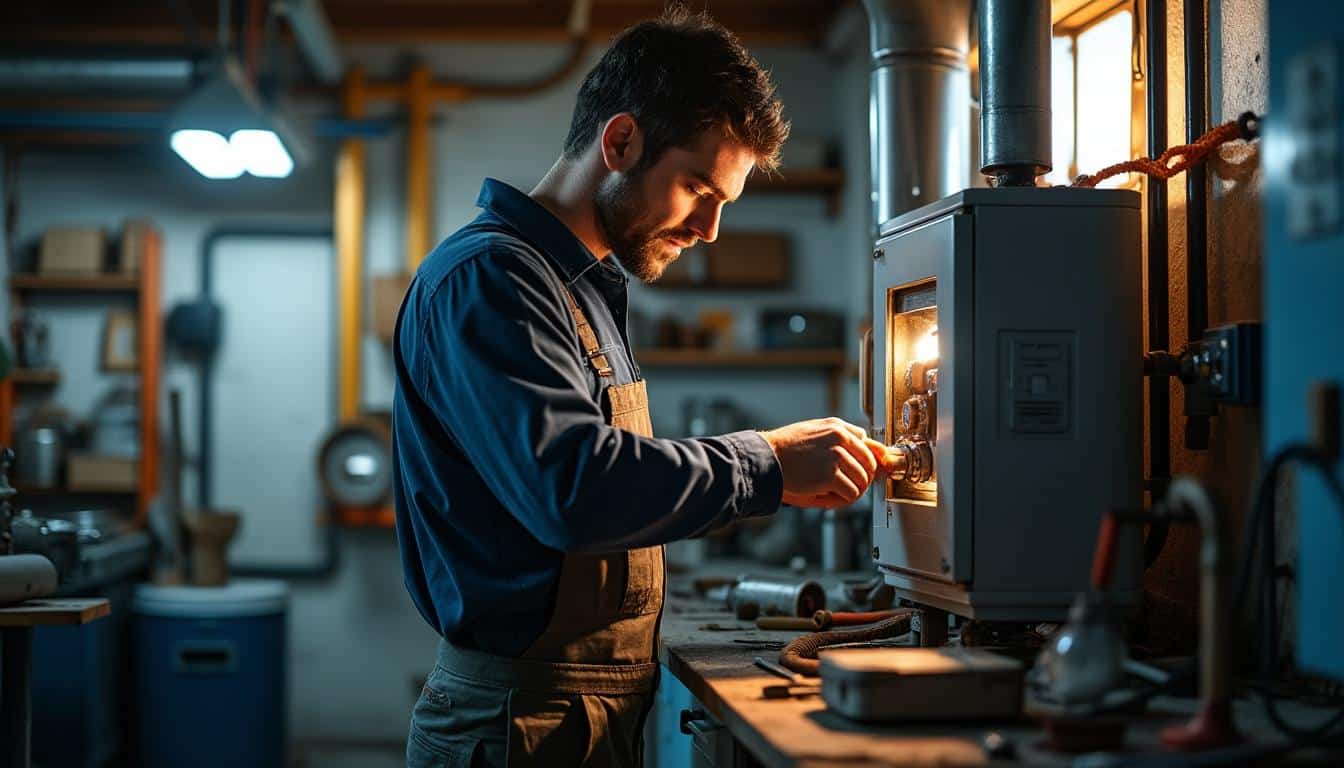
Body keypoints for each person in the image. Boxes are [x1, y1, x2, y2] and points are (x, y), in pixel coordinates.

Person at [392, 8, 894, 766]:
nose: (710, 230)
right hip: (518, 724)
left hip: (587, 708)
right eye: (698, 188)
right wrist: (766, 463)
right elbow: (573, 487)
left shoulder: (582, 286)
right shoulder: (492, 279)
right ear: (620, 142)